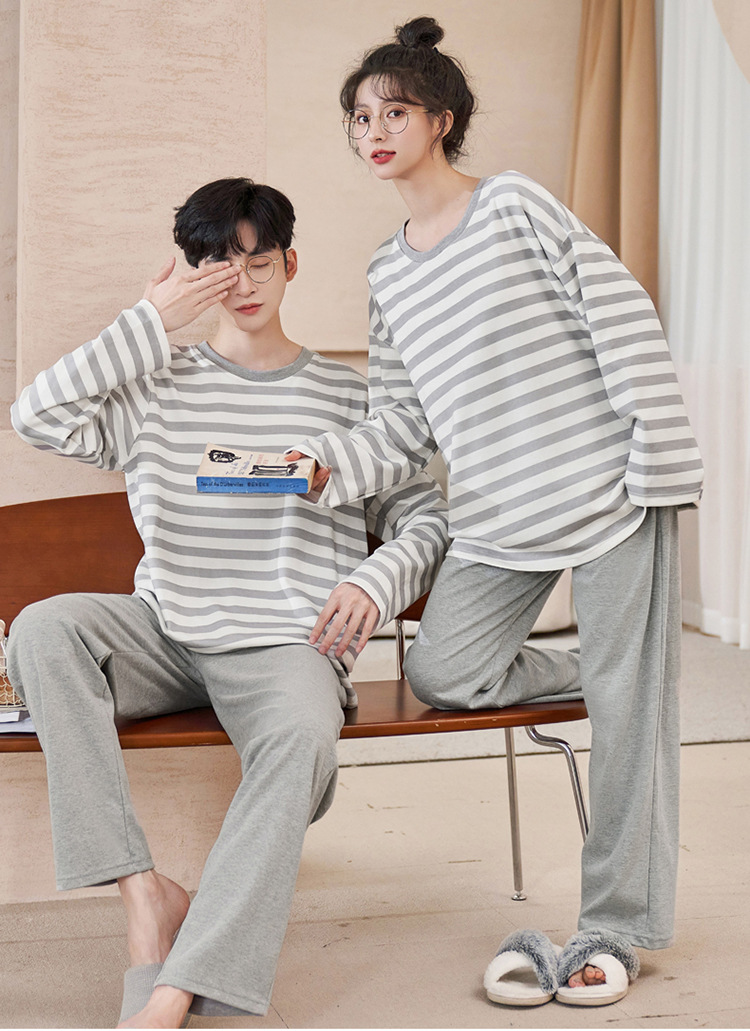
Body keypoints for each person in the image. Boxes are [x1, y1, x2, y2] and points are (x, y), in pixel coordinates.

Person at [288, 16, 704, 1006]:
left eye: (394, 112)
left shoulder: (513, 205)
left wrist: (661, 460)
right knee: (445, 668)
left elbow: (621, 314)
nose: (374, 132)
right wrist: (325, 465)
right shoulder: (389, 272)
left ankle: (616, 927)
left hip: (608, 489)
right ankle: (622, 669)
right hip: (496, 512)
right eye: (360, 118)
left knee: (629, 722)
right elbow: (401, 424)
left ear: (441, 119)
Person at [7, 177, 449, 1029]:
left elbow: (425, 518)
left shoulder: (349, 396)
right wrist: (150, 320)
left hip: (289, 641)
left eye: (258, 261)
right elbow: (37, 416)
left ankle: (175, 986)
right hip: (166, 630)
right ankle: (144, 895)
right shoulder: (155, 382)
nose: (241, 283)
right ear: (190, 272)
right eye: (218, 264)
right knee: (43, 630)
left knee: (301, 735)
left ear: (291, 264)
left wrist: (375, 581)